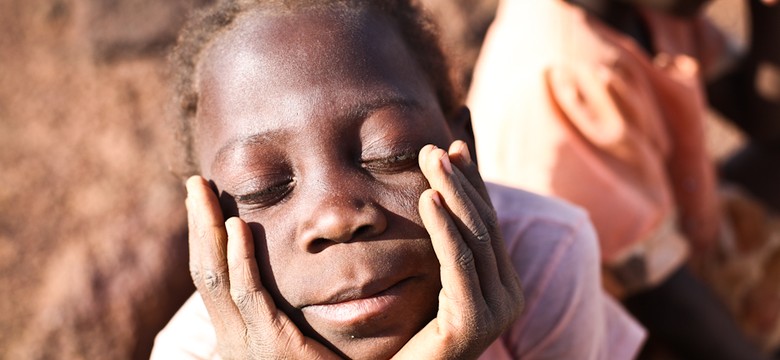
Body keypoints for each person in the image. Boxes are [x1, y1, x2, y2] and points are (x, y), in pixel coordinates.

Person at [150, 0, 645, 358]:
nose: (337, 218)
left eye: (392, 152)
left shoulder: (545, 255)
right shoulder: (191, 353)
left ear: (463, 145)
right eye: (263, 186)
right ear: (207, 219)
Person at [467, 0, 777, 358]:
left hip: (676, 233)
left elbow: (763, 116)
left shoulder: (649, 10)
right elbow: (659, 295)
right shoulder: (566, 68)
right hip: (614, 315)